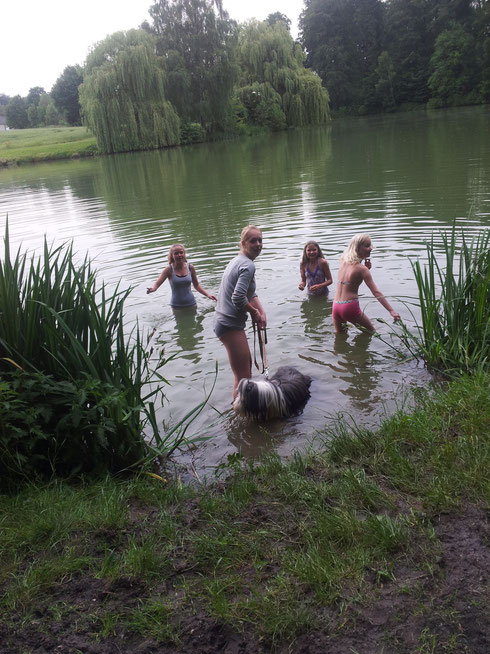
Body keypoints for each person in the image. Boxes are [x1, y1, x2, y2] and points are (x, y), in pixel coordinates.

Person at [214, 225, 267, 398]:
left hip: (224, 322)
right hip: (229, 324)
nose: (258, 244)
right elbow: (238, 298)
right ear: (243, 243)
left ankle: (240, 415)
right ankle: (238, 419)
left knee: (245, 371)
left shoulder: (239, 260)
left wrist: (261, 311)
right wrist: (254, 313)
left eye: (260, 240)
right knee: (243, 378)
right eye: (253, 241)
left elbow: (248, 293)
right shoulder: (247, 265)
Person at [333, 233, 400, 333]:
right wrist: (391, 310)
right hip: (349, 307)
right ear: (357, 248)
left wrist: (366, 269)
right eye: (367, 246)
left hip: (336, 306)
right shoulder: (362, 269)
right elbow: (376, 292)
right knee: (372, 333)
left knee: (340, 338)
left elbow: (351, 280)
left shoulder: (343, 262)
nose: (371, 248)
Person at [147, 243, 217, 306]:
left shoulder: (190, 267)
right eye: (176, 253)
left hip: (192, 303)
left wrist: (208, 295)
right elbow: (157, 283)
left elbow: (196, 285)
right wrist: (153, 289)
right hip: (177, 306)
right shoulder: (169, 270)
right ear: (172, 255)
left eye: (181, 252)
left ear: (184, 254)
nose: (179, 255)